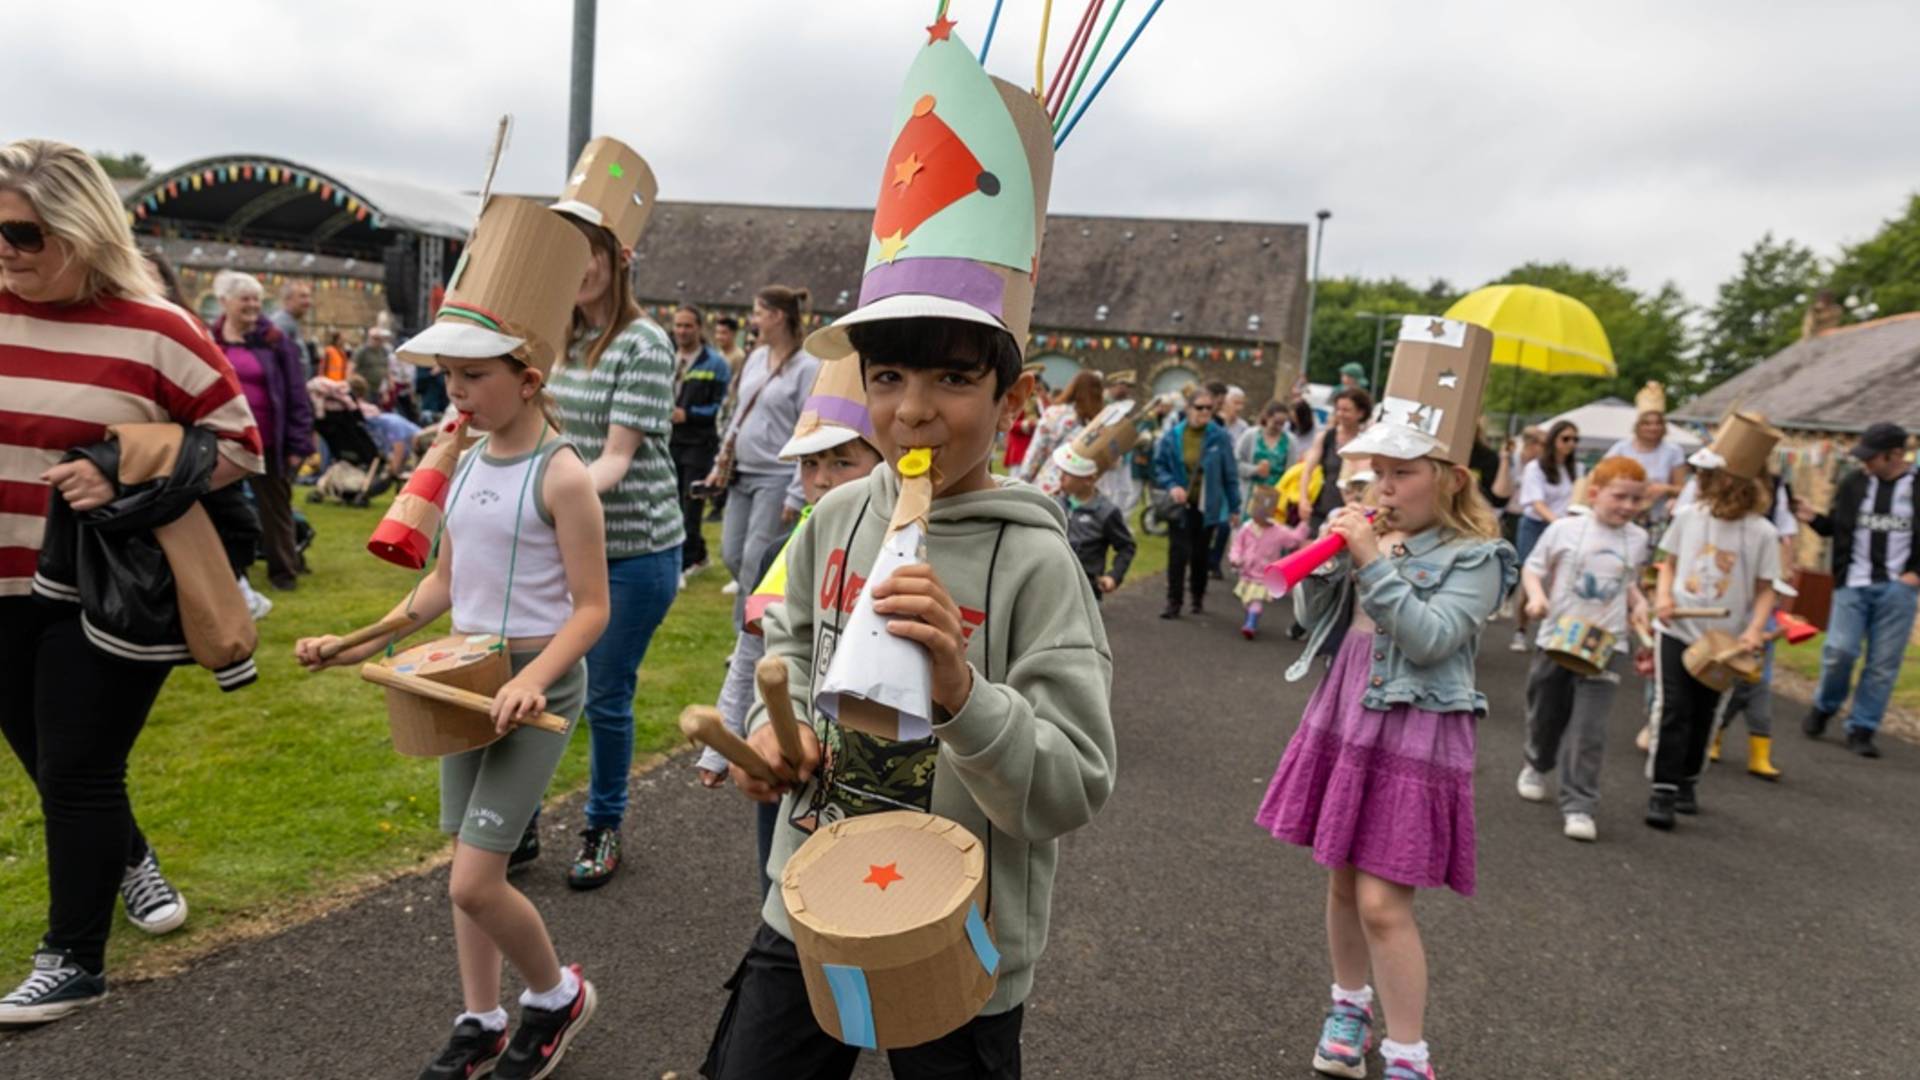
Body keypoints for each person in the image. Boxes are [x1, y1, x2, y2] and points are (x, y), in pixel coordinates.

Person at [700, 34, 1116, 1073]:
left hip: (960, 922)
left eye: (953, 382)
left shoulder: (1036, 563)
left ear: (1010, 399)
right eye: (886, 377)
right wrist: (771, 732)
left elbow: (1071, 784)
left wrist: (962, 690)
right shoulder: (836, 520)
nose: (915, 411)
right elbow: (785, 652)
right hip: (813, 896)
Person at [295, 198, 608, 1079]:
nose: (454, 392)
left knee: (474, 878)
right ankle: (481, 1016)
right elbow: (441, 586)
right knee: (465, 869)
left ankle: (555, 996)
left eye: (473, 376)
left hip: (530, 684)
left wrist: (534, 679)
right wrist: (353, 642)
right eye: (448, 375)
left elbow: (591, 610)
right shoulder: (465, 461)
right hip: (462, 676)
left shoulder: (566, 476)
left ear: (531, 377)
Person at [0, 139, 264, 1025]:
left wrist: (119, 467)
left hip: (101, 586)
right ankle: (130, 855)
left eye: (23, 234)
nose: (5, 249)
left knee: (77, 766)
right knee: (48, 759)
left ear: (81, 229)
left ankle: (73, 959)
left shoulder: (158, 330)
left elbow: (237, 448)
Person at [1257, 317, 1512, 1080]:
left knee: (1383, 903)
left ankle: (1408, 1052)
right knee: (1340, 875)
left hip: (1413, 732)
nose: (1385, 490)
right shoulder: (1373, 538)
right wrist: (1328, 563)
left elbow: (1433, 637)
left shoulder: (1480, 557)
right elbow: (1312, 623)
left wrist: (1371, 560)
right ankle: (1348, 1004)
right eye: (1376, 475)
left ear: (1451, 477)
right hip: (1346, 715)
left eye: (1402, 475)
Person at [546, 139, 686, 888]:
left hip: (634, 551)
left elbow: (614, 461)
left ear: (616, 254)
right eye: (562, 247)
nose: (577, 262)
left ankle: (603, 826)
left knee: (604, 691)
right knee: (540, 680)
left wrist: (542, 498)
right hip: (569, 544)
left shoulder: (643, 342)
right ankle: (522, 816)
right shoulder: (554, 339)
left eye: (588, 247)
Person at [694, 358, 882, 899]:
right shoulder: (782, 552)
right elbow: (752, 652)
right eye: (811, 464)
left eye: (842, 462)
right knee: (783, 888)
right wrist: (722, 744)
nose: (822, 480)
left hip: (866, 760)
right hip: (788, 751)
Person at [1646, 414, 1781, 830]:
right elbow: (1666, 565)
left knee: (1706, 712)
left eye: (1711, 475)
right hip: (1677, 629)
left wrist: (1755, 628)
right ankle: (1663, 789)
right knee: (1674, 708)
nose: (1703, 480)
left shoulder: (1762, 532)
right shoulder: (1689, 517)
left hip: (1724, 640)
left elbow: (1765, 588)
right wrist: (1665, 598)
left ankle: (1688, 778)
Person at [1514, 457, 1651, 842]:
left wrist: (1638, 604)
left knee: (1589, 730)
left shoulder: (1637, 539)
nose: (1627, 506)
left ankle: (1579, 804)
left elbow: (1628, 582)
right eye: (1619, 496)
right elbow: (1533, 568)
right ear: (1594, 494)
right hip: (1558, 636)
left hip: (1607, 643)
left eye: (1636, 500)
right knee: (1546, 712)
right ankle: (1537, 762)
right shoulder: (1564, 529)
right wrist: (1536, 598)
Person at [1796, 421, 1918, 759]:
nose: (1865, 463)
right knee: (1840, 652)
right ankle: (1825, 705)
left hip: (1898, 588)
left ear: (1895, 454)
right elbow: (1838, 527)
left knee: (1882, 663)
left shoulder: (1916, 486)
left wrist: (1915, 575)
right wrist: (1813, 519)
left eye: (1872, 457)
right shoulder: (1855, 483)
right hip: (1853, 583)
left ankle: (1863, 727)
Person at [707, 286, 820, 623]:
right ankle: (774, 610)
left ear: (777, 316)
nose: (752, 321)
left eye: (757, 313)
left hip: (776, 477)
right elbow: (740, 414)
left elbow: (809, 430)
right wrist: (719, 464)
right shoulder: (756, 358)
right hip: (741, 473)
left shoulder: (807, 367)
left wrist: (797, 491)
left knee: (755, 558)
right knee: (732, 553)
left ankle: (745, 639)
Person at [209, 269, 315, 591]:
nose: (253, 305)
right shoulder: (210, 339)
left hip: (267, 440)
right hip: (222, 439)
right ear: (225, 302)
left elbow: (296, 391)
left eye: (257, 299)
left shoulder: (275, 341)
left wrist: (298, 442)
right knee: (218, 507)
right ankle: (223, 570)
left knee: (276, 508)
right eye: (245, 299)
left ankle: (284, 571)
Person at [1152, 385, 1241, 619]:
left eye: (1210, 408)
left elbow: (1229, 474)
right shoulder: (1173, 435)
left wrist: (1234, 507)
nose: (1205, 412)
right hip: (1180, 506)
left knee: (1200, 555)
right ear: (1188, 408)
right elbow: (1159, 466)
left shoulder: (1219, 436)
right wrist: (1172, 485)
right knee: (1178, 554)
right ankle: (1174, 601)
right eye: (1200, 407)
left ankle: (1197, 597)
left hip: (1207, 506)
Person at [671, 304, 732, 577]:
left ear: (699, 328)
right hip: (670, 440)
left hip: (700, 442)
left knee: (691, 502)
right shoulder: (667, 358)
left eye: (688, 326)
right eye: (678, 325)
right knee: (672, 501)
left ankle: (685, 564)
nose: (682, 331)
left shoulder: (716, 363)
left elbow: (722, 406)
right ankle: (700, 553)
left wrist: (689, 415)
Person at [1512, 420, 1581, 651]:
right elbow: (1536, 502)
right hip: (1536, 525)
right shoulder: (1536, 467)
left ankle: (1555, 632)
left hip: (1565, 526)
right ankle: (1520, 630)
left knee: (1562, 580)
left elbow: (1578, 501)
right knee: (1530, 578)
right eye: (1565, 438)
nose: (1570, 444)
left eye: (1574, 439)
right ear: (1554, 440)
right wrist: (1559, 524)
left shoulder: (1577, 469)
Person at [1051, 432, 1137, 605]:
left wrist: (1114, 576)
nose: (1061, 478)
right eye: (1061, 471)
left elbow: (1126, 546)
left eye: (1068, 474)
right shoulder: (1056, 502)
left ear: (1088, 479)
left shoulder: (1106, 512)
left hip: (1085, 592)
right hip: (1051, 586)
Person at [1229, 485, 1308, 640]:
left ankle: (1251, 623)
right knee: (1247, 601)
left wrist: (1304, 524)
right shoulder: (1247, 528)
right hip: (1246, 572)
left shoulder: (1277, 531)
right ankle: (1251, 617)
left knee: (1256, 601)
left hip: (1264, 574)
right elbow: (1237, 545)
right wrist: (1235, 558)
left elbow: (1294, 539)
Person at [1602, 381, 1688, 521]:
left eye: (1657, 423)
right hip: (1624, 513)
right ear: (1638, 426)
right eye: (1647, 423)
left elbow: (1682, 489)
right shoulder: (1621, 448)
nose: (1653, 428)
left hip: (1659, 516)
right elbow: (1603, 477)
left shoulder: (1673, 451)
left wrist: (1664, 489)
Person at [1017, 369, 1104, 495]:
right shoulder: (1098, 423)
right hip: (1083, 488)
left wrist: (1024, 479)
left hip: (1050, 483)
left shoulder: (1055, 413)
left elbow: (1037, 450)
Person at [1301, 387, 1371, 533]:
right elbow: (1307, 470)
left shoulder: (1367, 442)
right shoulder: (1326, 437)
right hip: (1320, 508)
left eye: (1346, 410)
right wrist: (1303, 499)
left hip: (1349, 512)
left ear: (1361, 413)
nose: (1340, 414)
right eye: (1338, 409)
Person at [1238, 400, 1293, 493]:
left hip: (1276, 493)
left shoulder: (1290, 440)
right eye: (1276, 422)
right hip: (1249, 492)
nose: (1279, 427)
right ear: (1267, 417)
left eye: (1282, 423)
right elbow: (1235, 463)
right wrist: (1255, 469)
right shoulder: (1250, 435)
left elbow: (1291, 471)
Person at [269, 279, 314, 374]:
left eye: (309, 297)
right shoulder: (281, 324)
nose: (308, 302)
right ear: (287, 300)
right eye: (303, 297)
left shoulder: (292, 322)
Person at [351, 325, 394, 403]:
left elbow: (385, 368)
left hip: (377, 388)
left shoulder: (383, 351)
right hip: (364, 388)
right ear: (369, 338)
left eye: (379, 339)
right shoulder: (362, 351)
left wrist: (390, 380)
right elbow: (351, 368)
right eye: (375, 338)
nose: (378, 341)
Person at [1003, 396, 1037, 471]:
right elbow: (1010, 423)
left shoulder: (1037, 402)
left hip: (1034, 449)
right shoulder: (1016, 402)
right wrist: (1028, 424)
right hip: (1019, 448)